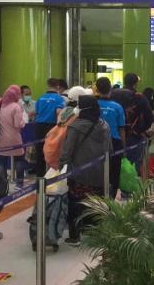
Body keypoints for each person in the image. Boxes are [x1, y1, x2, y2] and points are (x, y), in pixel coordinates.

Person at [60, 95, 111, 245]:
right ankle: (96, 232)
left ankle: (75, 236)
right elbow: (109, 148)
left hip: (79, 173)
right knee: (97, 202)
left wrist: (61, 164)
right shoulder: (104, 125)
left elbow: (67, 150)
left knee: (75, 203)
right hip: (100, 172)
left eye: (79, 106)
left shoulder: (75, 126)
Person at [111, 73, 153, 173]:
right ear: (135, 84)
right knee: (133, 166)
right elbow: (149, 118)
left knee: (114, 166)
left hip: (114, 136)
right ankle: (129, 187)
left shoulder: (113, 94)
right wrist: (140, 131)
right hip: (133, 136)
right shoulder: (140, 97)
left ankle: (114, 187)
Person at [0, 85, 27, 181]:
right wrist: (24, 121)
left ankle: (3, 186)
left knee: (1, 163)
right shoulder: (16, 107)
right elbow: (18, 124)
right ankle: (20, 184)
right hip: (14, 139)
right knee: (19, 161)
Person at [96, 77, 126, 198]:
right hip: (115, 142)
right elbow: (121, 129)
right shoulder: (117, 107)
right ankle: (111, 199)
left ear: (97, 90)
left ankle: (98, 198)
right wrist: (124, 149)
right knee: (114, 173)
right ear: (110, 89)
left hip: (96, 142)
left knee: (98, 171)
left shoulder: (94, 105)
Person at [34, 78, 65, 176]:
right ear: (58, 86)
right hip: (51, 127)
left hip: (39, 127)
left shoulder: (40, 98)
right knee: (52, 152)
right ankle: (50, 176)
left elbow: (37, 112)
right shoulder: (59, 98)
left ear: (48, 85)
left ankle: (39, 177)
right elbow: (58, 112)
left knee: (40, 152)